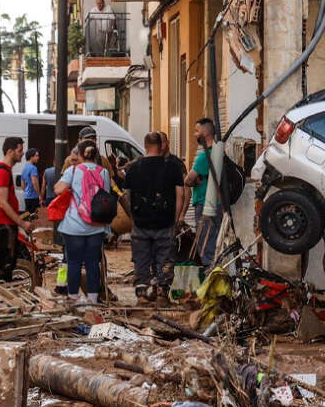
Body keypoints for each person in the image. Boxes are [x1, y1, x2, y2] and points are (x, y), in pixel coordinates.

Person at [122, 131, 185, 302]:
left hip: (141, 223)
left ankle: (142, 294)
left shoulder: (133, 167)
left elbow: (126, 195)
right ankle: (162, 293)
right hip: (165, 223)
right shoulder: (172, 167)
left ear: (145, 145)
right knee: (165, 260)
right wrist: (176, 218)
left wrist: (133, 217)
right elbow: (180, 195)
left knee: (141, 260)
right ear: (161, 145)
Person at [53, 139, 112, 304]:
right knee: (93, 262)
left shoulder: (73, 170)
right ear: (96, 155)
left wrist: (72, 188)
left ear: (79, 154)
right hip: (96, 226)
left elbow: (58, 189)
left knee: (74, 263)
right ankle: (93, 299)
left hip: (73, 226)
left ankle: (73, 297)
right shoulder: (104, 172)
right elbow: (106, 196)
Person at [0, 136, 32, 282]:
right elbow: (3, 203)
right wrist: (22, 223)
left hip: (6, 224)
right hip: (3, 225)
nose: (22, 154)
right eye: (20, 150)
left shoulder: (6, 171)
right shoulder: (2, 172)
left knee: (8, 262)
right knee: (5, 264)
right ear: (10, 151)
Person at [184, 117, 222, 269]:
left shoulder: (204, 156)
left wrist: (195, 179)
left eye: (197, 130)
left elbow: (188, 180)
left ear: (205, 132)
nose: (195, 134)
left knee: (205, 242)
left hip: (205, 204)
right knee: (213, 240)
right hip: (217, 204)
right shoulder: (219, 151)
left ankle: (209, 273)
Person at [21, 148, 41, 214]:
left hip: (27, 196)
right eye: (36, 156)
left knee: (28, 214)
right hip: (33, 196)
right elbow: (34, 182)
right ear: (31, 157)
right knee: (33, 216)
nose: (38, 158)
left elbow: (22, 184)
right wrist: (39, 195)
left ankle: (24, 223)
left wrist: (26, 192)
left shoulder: (24, 168)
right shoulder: (33, 168)